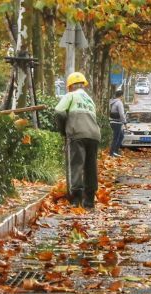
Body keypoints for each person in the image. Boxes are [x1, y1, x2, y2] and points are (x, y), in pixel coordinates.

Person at [55, 72, 101, 208]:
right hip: (94, 135)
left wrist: (63, 130)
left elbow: (58, 111)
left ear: (70, 86)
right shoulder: (89, 100)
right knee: (90, 167)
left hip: (77, 134)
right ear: (83, 86)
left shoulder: (71, 95)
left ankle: (75, 200)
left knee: (75, 165)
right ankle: (90, 201)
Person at [108, 90, 126, 157]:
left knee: (121, 136)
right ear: (121, 95)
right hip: (117, 122)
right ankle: (112, 153)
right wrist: (125, 122)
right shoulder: (119, 103)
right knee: (116, 138)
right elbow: (121, 114)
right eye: (123, 95)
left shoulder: (112, 102)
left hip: (112, 121)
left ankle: (115, 151)